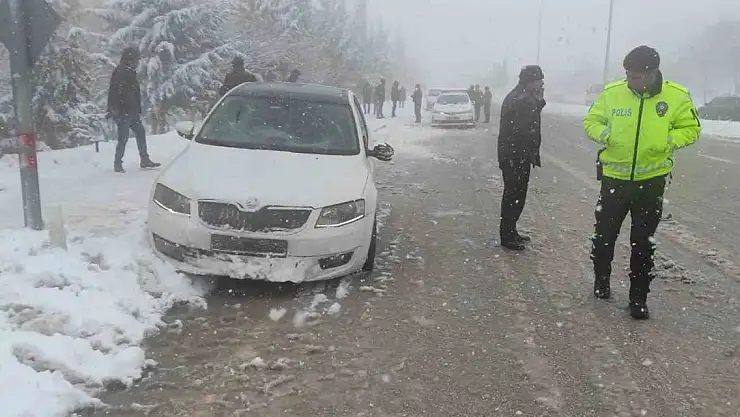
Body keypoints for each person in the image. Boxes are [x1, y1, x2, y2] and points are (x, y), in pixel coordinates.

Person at [583, 45, 701, 319]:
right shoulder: (613, 93)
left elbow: (692, 128)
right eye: (628, 75)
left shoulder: (676, 96)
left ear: (652, 73)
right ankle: (602, 281)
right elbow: (591, 121)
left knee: (643, 243)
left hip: (651, 183)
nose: (630, 81)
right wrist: (605, 134)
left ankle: (638, 298)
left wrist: (668, 140)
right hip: (614, 181)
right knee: (604, 236)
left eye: (635, 76)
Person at [497, 65, 546, 251]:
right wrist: (526, 154)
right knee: (514, 196)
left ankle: (510, 231)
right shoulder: (523, 100)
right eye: (539, 80)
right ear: (530, 81)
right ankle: (507, 236)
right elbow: (524, 130)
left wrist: (538, 101)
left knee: (514, 195)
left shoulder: (521, 96)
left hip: (513, 155)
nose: (542, 84)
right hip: (516, 156)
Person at [107, 47, 160, 173]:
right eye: (137, 59)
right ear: (131, 59)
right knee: (123, 137)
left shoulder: (129, 71)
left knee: (140, 133)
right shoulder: (121, 71)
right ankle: (118, 163)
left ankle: (144, 159)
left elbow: (133, 93)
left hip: (132, 111)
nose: (138, 62)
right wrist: (114, 108)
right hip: (123, 111)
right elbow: (114, 91)